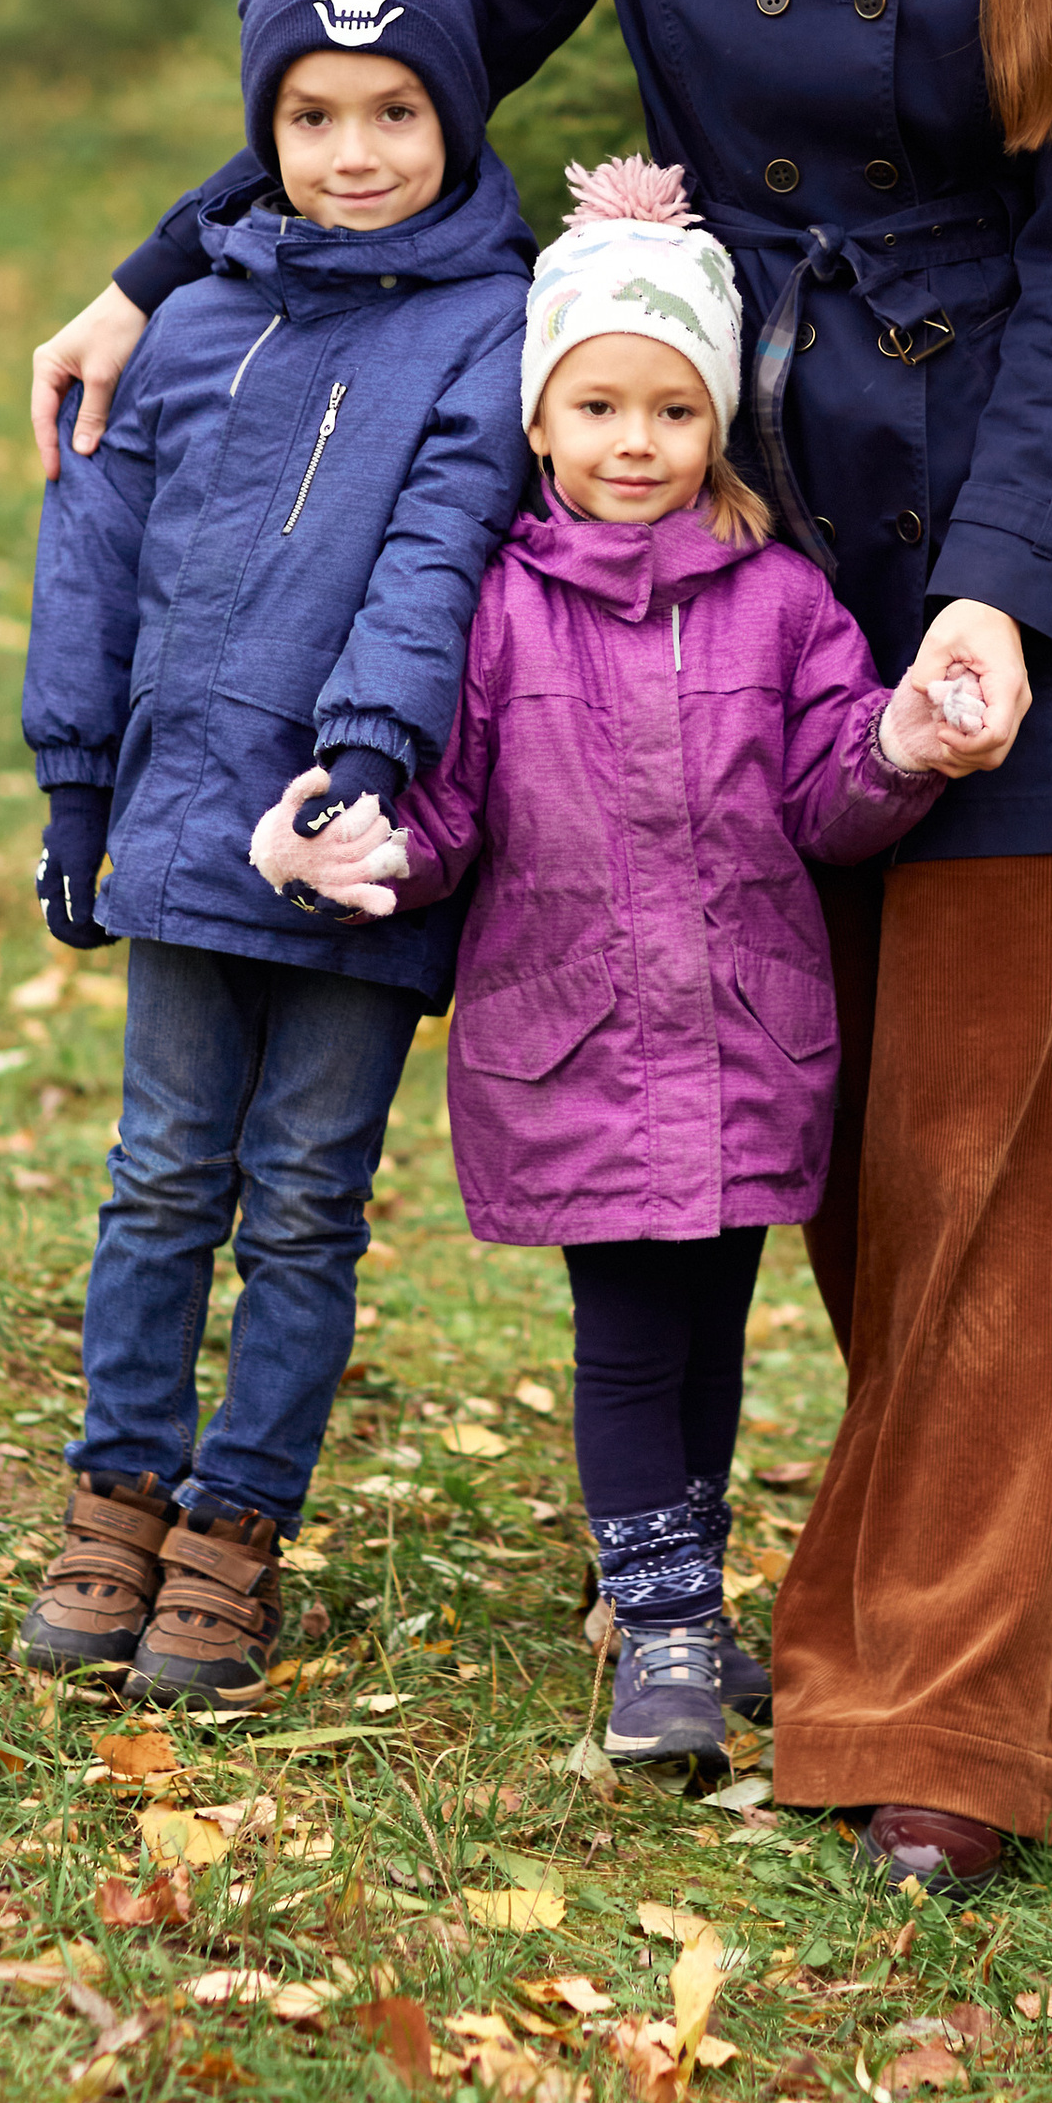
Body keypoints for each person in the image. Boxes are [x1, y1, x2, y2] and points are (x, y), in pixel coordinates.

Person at [28, 0, 1052, 1881]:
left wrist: (1006, 604)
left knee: (959, 1162)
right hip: (691, 540)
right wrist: (163, 270)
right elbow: (428, 52)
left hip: (979, 547)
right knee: (805, 1155)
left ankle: (940, 1725)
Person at [251, 158, 970, 1777]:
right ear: (540, 422)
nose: (633, 443)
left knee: (712, 1331)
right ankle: (661, 1627)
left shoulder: (783, 604)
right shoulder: (495, 611)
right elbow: (443, 817)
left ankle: (670, 1597)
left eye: (670, 409)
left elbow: (828, 799)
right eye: (597, 408)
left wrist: (904, 748)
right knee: (635, 1335)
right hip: (577, 1042)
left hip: (744, 1035)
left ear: (717, 423)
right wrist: (353, 848)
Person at [16, 0, 533, 1710]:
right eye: (312, 116)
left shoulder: (492, 327)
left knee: (306, 1196)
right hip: (178, 820)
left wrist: (365, 765)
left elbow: (438, 555)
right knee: (163, 1176)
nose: (355, 151)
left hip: (359, 837)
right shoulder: (190, 322)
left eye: (397, 111)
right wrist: (75, 783)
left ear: (456, 119)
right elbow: (91, 554)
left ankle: (236, 1530)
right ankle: (117, 1495)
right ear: (265, 129)